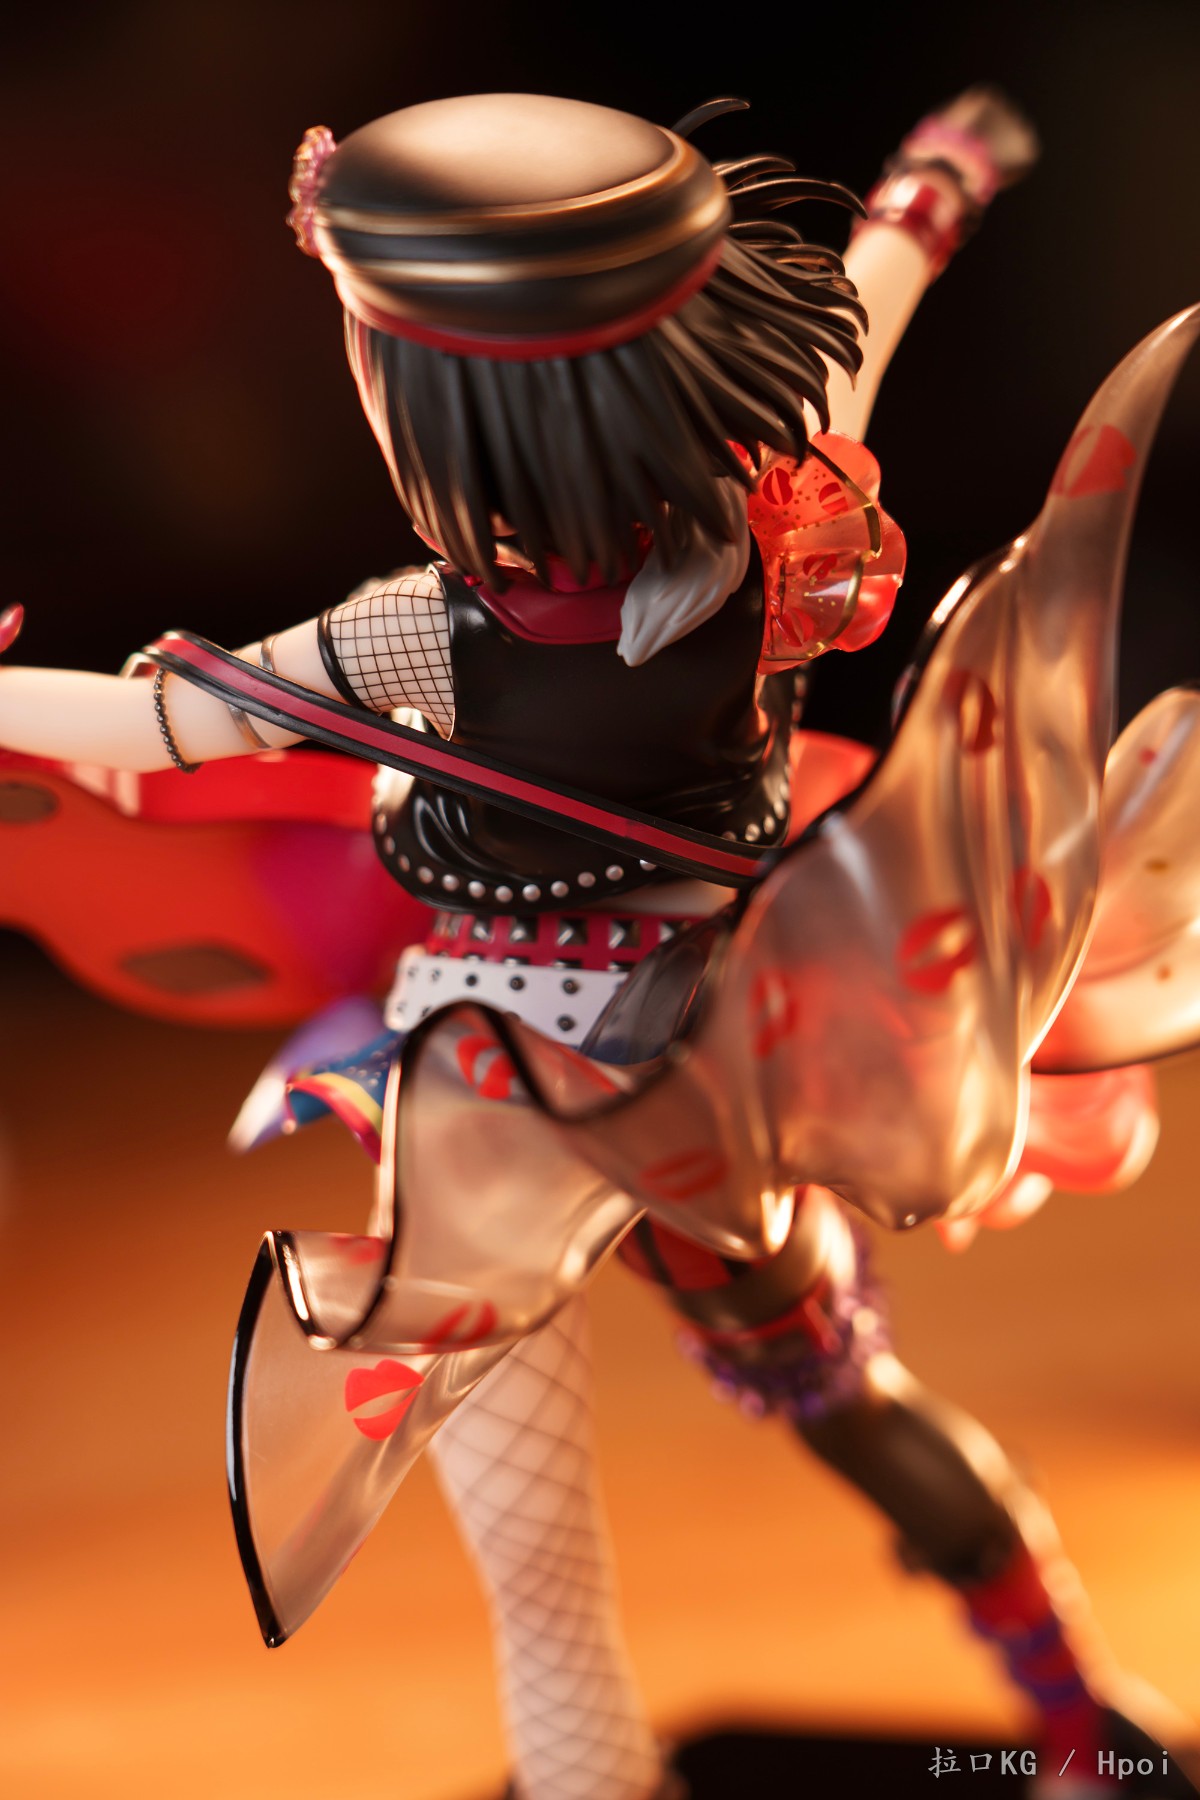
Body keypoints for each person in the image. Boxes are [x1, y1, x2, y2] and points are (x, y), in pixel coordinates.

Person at [2, 88, 1198, 1800]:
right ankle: (1082, 1718)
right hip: (717, 1073)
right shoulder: (771, 523)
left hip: (495, 1112)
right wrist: (936, 189)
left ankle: (629, 1773)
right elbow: (864, 315)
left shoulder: (421, 635)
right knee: (850, 1404)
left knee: (543, 1560)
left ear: (432, 403)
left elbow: (156, 730)